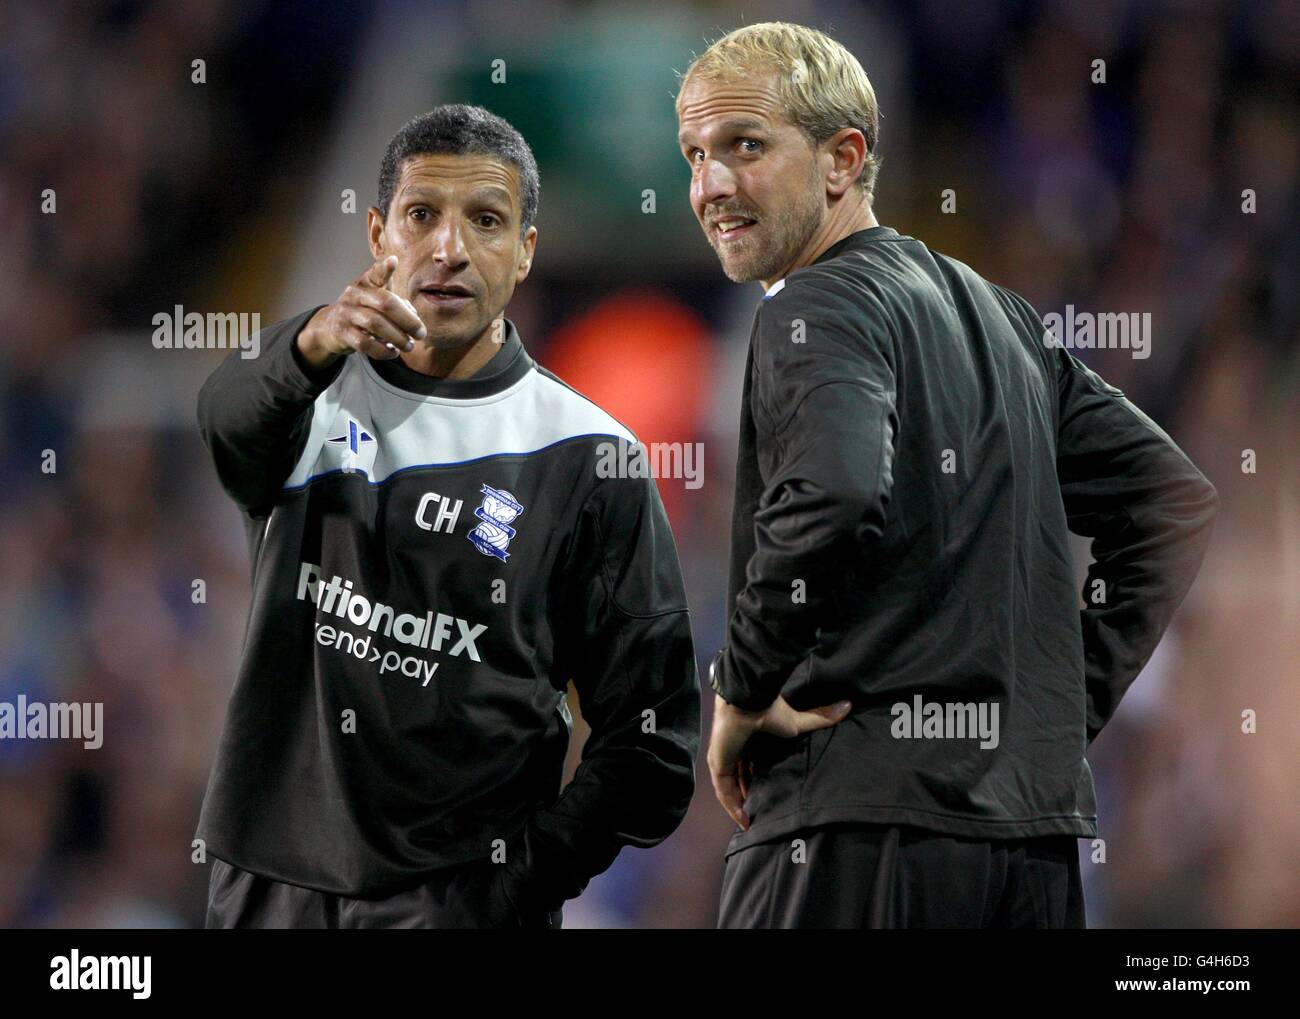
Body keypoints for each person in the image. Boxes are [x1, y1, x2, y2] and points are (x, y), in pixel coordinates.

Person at [676, 22, 1219, 928]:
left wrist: (742, 683)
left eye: (745, 147)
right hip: (1032, 852)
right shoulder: (1003, 321)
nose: (709, 186)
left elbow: (839, 487)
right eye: (695, 154)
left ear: (843, 159)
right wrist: (1056, 709)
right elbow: (1173, 500)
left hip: (854, 837)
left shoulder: (813, 302)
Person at [195, 104, 700, 928]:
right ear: (377, 235)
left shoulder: (589, 456)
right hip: (266, 886)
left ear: (527, 250)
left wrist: (512, 890)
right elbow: (224, 423)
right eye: (422, 214)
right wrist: (309, 343)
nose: (449, 249)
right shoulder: (306, 395)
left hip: (453, 902)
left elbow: (652, 742)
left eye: (487, 221)